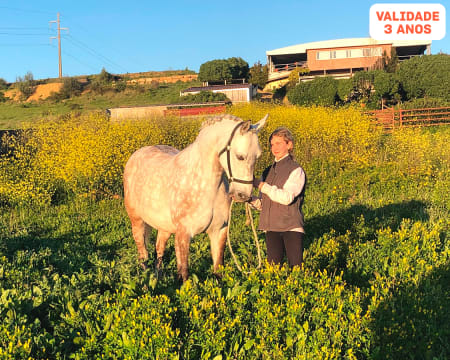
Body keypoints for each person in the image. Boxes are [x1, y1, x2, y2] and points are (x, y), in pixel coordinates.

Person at [250, 127, 306, 267]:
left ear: (289, 145)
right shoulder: (267, 171)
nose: (275, 147)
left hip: (291, 227)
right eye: (272, 144)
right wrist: (249, 199)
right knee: (273, 270)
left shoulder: (296, 170)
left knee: (296, 268)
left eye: (279, 143)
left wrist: (262, 185)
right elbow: (264, 204)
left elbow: (286, 198)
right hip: (272, 228)